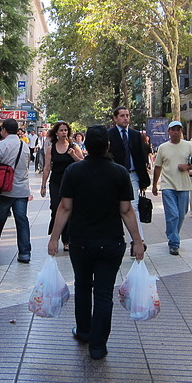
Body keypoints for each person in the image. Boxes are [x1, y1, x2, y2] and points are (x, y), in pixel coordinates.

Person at [48, 125, 144, 360]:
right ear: (108, 145)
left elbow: (65, 207)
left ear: (86, 145)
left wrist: (54, 238)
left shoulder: (73, 171)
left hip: (80, 241)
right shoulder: (120, 172)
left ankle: (84, 331)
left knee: (82, 286)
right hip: (111, 241)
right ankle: (98, 346)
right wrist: (138, 241)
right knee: (103, 294)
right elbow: (127, 211)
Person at [0, 118, 32, 262]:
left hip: (4, 190)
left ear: (4, 130)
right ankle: (24, 253)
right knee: (22, 220)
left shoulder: (1, 145)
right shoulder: (24, 145)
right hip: (21, 189)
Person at [107, 106, 151, 248]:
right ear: (115, 118)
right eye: (122, 115)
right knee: (114, 208)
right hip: (114, 176)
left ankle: (138, 241)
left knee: (134, 206)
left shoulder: (135, 134)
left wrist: (143, 179)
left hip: (132, 175)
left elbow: (140, 157)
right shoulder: (109, 134)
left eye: (127, 115)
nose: (125, 118)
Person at [152, 121, 192, 255]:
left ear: (181, 131)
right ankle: (174, 242)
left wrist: (187, 167)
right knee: (173, 214)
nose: (176, 132)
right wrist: (154, 185)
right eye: (173, 130)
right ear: (169, 132)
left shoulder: (188, 145)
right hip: (167, 185)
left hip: (184, 185)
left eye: (178, 130)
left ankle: (172, 233)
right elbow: (158, 167)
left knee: (181, 214)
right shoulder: (163, 147)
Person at [41, 121, 84, 251]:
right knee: (55, 208)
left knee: (69, 210)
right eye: (61, 130)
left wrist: (73, 155)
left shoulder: (73, 147)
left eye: (66, 130)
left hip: (71, 183)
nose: (64, 133)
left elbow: (83, 163)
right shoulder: (51, 148)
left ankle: (67, 239)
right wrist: (43, 185)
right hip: (56, 182)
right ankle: (55, 234)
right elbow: (47, 167)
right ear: (56, 133)